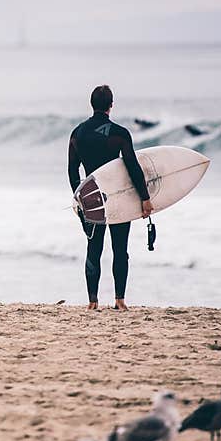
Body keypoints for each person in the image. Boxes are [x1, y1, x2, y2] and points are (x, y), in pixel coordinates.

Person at [67, 85, 153, 311]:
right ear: (111, 105)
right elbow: (133, 168)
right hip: (117, 199)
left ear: (92, 104)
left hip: (93, 199)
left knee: (93, 248)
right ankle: (119, 300)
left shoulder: (77, 133)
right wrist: (144, 198)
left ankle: (93, 302)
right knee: (120, 248)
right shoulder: (119, 134)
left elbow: (72, 170)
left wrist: (80, 197)